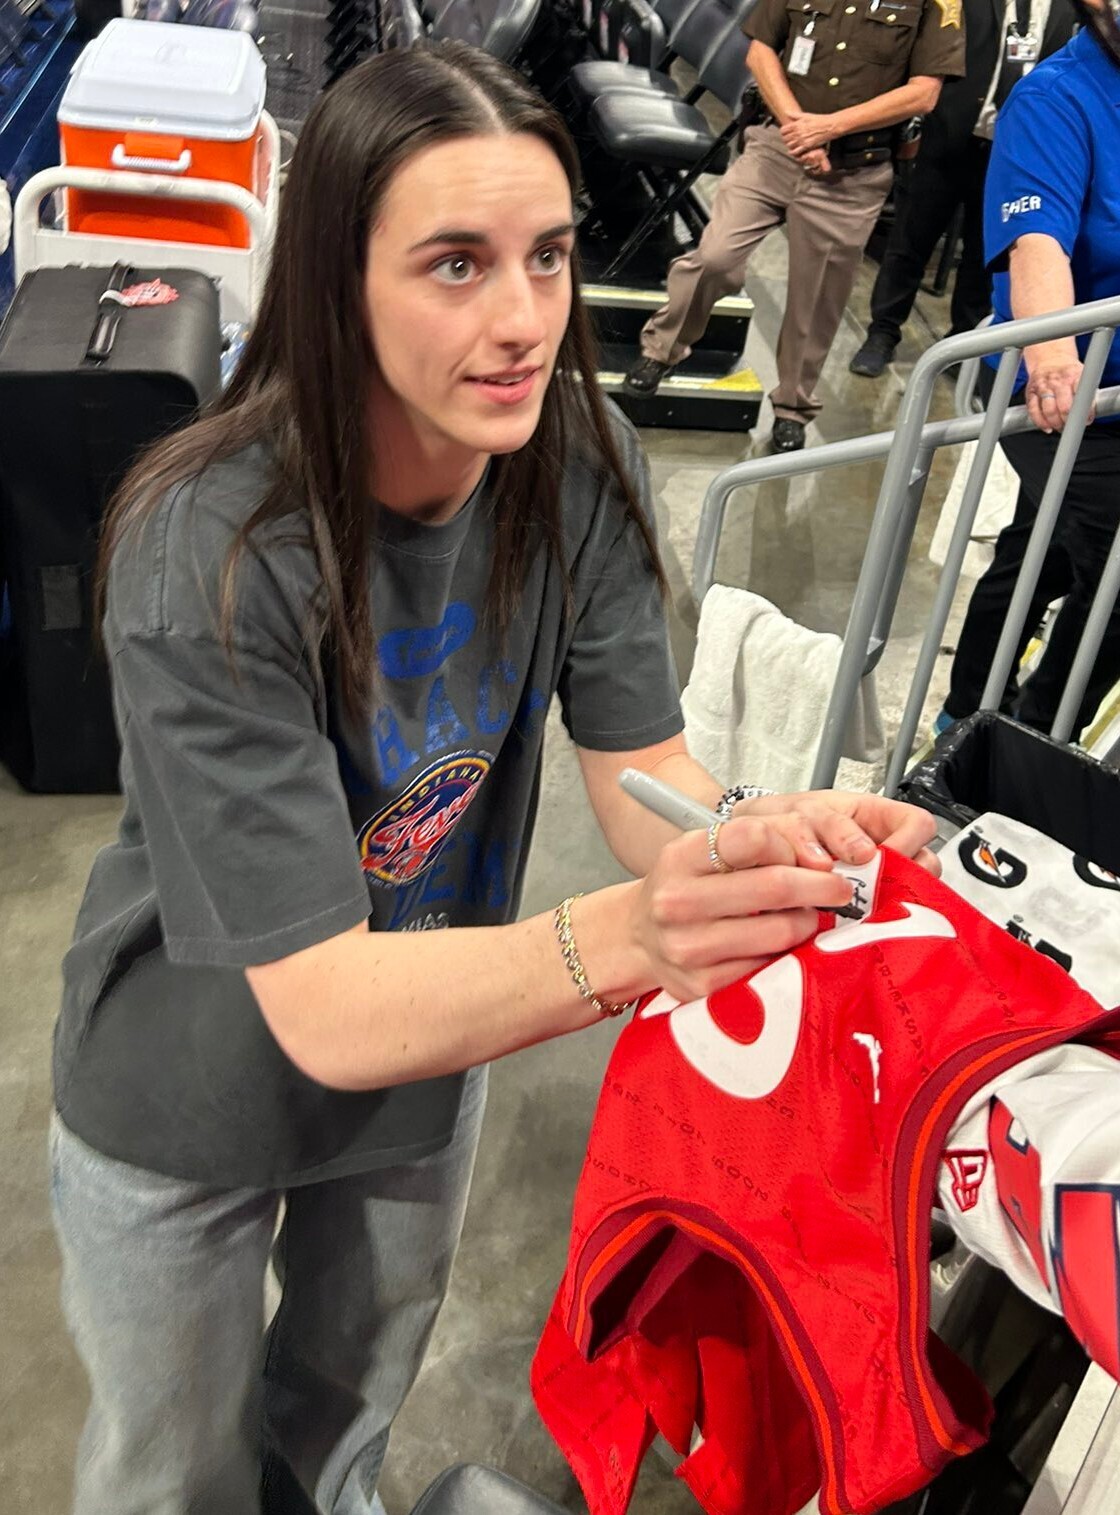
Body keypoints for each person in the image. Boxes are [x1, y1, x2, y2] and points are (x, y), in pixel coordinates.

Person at [48, 40, 940, 1515]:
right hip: (183, 1094)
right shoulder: (206, 544)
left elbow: (645, 771)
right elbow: (325, 1001)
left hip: (425, 1061)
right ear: (337, 281)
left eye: (547, 256)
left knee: (338, 1442)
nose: (524, 320)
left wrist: (754, 832)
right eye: (455, 264)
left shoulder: (577, 464)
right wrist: (638, 937)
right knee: (173, 1479)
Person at [623, 0, 965, 454]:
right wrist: (797, 129)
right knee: (714, 257)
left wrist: (829, 128)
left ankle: (792, 407)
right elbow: (760, 51)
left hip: (852, 174)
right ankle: (662, 348)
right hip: (775, 148)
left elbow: (923, 94)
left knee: (816, 300)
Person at [941, 0, 1120, 740]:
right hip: (1067, 396)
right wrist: (1052, 358)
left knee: (1039, 551)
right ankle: (1034, 735)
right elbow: (1036, 244)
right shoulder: (1055, 97)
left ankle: (966, 709)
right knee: (1113, 572)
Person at [849, 0, 1074, 379]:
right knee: (911, 238)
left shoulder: (1068, 9)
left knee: (984, 254)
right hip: (948, 134)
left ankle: (962, 341)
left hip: (1013, 150)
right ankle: (882, 332)